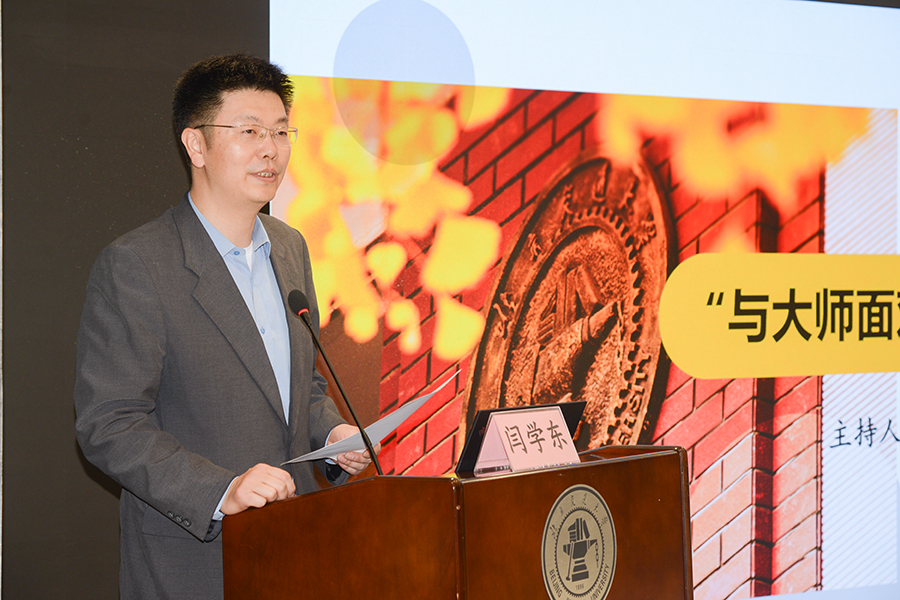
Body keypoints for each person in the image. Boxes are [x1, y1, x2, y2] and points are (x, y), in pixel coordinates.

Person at [74, 54, 375, 600]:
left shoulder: (289, 247)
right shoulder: (139, 264)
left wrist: (330, 436)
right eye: (250, 131)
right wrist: (223, 489)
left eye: (281, 132)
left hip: (297, 550)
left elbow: (299, 386)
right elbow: (109, 424)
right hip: (195, 565)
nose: (271, 149)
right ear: (196, 145)